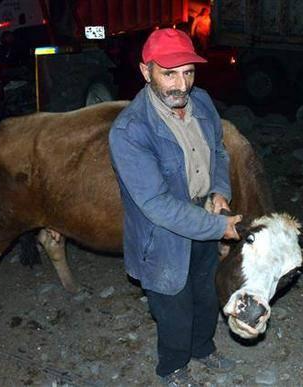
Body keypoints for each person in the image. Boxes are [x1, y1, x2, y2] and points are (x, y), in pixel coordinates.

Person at [108, 28, 242, 386]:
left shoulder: (203, 103)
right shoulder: (130, 130)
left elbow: (218, 151)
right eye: (169, 73)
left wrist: (219, 192)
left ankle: (203, 349)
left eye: (189, 72)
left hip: (205, 217)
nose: (181, 85)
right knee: (173, 308)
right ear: (145, 71)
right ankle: (172, 367)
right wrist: (219, 228)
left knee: (206, 294)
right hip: (163, 234)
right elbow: (154, 203)